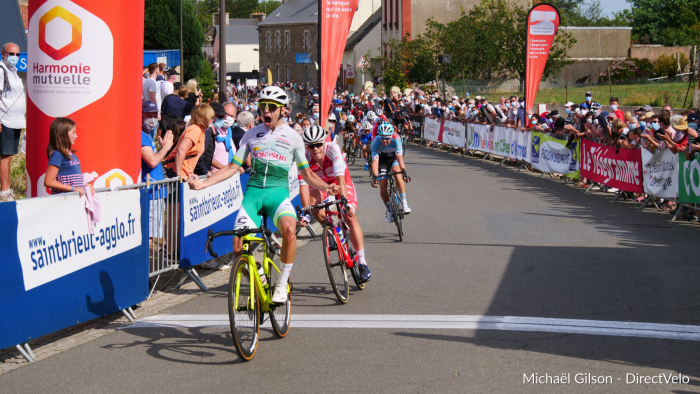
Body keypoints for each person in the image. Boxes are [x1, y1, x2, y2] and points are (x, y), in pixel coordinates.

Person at [188, 86, 339, 304]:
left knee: (289, 229)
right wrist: (204, 185)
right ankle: (256, 275)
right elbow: (232, 167)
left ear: (282, 110)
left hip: (278, 193)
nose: (265, 110)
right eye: (262, 106)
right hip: (254, 193)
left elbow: (306, 173)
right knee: (238, 245)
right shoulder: (251, 134)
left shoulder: (293, 137)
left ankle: (282, 283)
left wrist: (326, 187)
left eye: (270, 107)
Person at [298, 125, 371, 282]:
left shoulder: (333, 149)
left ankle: (362, 262)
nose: (315, 148)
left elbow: (341, 182)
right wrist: (305, 212)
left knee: (349, 216)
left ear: (324, 142)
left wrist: (344, 203)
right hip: (320, 184)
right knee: (312, 204)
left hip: (339, 182)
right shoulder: (303, 157)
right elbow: (303, 188)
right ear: (306, 146)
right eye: (311, 146)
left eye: (318, 144)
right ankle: (330, 230)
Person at [140, 100, 174, 242]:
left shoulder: (147, 134)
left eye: (155, 115)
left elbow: (155, 159)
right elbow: (152, 161)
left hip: (156, 191)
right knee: (149, 236)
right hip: (151, 191)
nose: (153, 118)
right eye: (149, 115)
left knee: (153, 235)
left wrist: (162, 149)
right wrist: (166, 148)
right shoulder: (141, 135)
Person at [370, 123, 411, 223]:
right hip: (382, 161)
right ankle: (388, 210)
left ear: (391, 136)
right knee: (383, 186)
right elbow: (375, 162)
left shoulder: (396, 139)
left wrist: (404, 172)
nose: (384, 140)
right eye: (382, 138)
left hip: (394, 159)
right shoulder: (375, 142)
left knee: (397, 173)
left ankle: (405, 203)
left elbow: (399, 158)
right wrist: (374, 177)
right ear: (379, 136)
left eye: (387, 138)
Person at [0, 42, 26, 201]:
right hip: (6, 121)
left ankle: (6, 190)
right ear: (3, 54)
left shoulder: (15, 72)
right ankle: (5, 192)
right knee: (5, 156)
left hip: (17, 121)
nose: (14, 57)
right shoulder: (1, 70)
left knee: (9, 156)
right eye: (11, 54)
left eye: (17, 54)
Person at [44, 117, 94, 196]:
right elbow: (48, 181)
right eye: (73, 132)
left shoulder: (71, 153)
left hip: (75, 201)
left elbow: (75, 178)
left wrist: (87, 184)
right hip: (64, 202)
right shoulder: (57, 154)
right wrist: (74, 189)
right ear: (63, 134)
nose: (76, 136)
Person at [163, 104, 214, 179]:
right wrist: (179, 173)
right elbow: (181, 149)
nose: (212, 120)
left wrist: (190, 173)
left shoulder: (200, 131)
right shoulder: (195, 130)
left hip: (182, 173)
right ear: (205, 117)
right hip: (173, 171)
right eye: (211, 117)